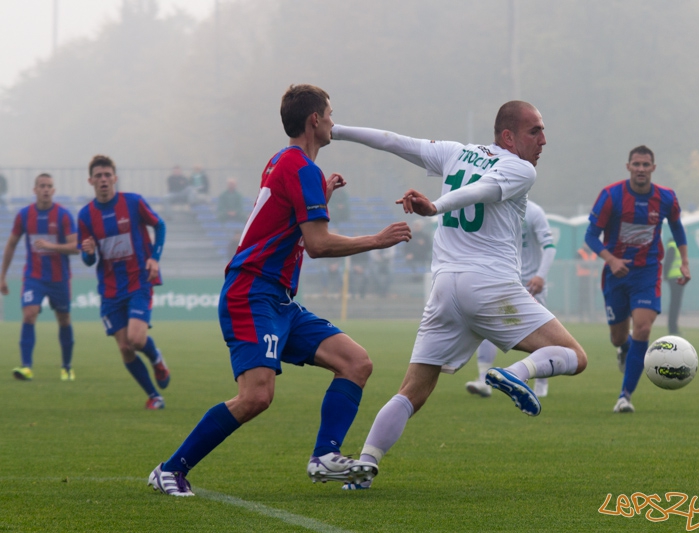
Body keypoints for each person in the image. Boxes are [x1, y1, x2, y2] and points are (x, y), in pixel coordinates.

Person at [148, 84, 411, 497]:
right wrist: (378, 239)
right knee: (255, 396)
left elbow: (286, 224)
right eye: (329, 114)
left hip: (277, 299)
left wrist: (321, 195)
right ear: (314, 121)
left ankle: (325, 455)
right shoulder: (302, 168)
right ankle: (170, 469)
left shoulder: (285, 163)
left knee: (356, 363)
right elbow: (318, 244)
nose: (332, 122)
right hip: (251, 292)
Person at [331, 100, 588, 490]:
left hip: (445, 287)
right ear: (508, 136)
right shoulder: (520, 169)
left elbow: (391, 141)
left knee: (413, 390)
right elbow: (481, 191)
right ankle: (514, 374)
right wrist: (435, 206)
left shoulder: (456, 152)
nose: (543, 140)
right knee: (575, 356)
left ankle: (366, 463)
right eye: (535, 131)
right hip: (489, 285)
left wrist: (335, 131)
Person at [585, 145, 690, 414]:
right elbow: (590, 237)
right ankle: (625, 348)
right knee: (618, 336)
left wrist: (685, 263)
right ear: (628, 166)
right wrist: (611, 260)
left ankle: (625, 396)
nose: (641, 169)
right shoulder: (611, 196)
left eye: (646, 165)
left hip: (647, 273)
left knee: (642, 328)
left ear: (653, 168)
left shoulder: (666, 198)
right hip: (616, 274)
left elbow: (677, 228)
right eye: (637, 164)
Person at [77, 155, 172, 410]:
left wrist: (155, 258)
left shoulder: (133, 202)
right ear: (91, 181)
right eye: (98, 176)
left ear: (115, 178)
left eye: (108, 175)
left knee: (137, 339)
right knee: (125, 348)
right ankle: (154, 396)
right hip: (109, 290)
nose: (104, 179)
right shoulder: (85, 215)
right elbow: (88, 259)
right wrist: (87, 252)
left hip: (139, 280)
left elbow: (159, 225)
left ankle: (156, 359)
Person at [465, 199, 556, 398]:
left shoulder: (534, 211)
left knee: (542, 334)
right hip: (504, 282)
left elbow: (549, 247)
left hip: (531, 285)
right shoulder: (496, 209)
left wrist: (540, 275)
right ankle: (483, 380)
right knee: (488, 328)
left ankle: (541, 383)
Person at [0, 173, 78, 381]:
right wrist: (2, 276)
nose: (45, 189)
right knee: (29, 314)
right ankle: (26, 367)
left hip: (59, 278)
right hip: (33, 277)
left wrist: (51, 246)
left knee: (64, 319)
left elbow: (76, 247)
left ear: (53, 191)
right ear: (34, 190)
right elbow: (11, 244)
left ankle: (67, 367)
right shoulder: (24, 215)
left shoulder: (63, 215)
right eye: (42, 186)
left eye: (49, 186)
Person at [663, 238, 684, 334]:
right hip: (676, 278)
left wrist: (666, 276)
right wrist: (666, 275)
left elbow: (667, 262)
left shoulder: (673, 247)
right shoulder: (674, 247)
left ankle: (673, 327)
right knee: (675, 304)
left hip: (676, 278)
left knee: (675, 304)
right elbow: (668, 262)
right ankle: (672, 328)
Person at [575, 241, 598, 321]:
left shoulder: (595, 253)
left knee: (591, 297)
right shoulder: (580, 252)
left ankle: (590, 314)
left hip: (592, 279)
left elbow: (597, 265)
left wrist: (590, 266)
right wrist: (590, 266)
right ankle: (581, 315)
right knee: (583, 297)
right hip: (583, 278)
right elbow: (581, 264)